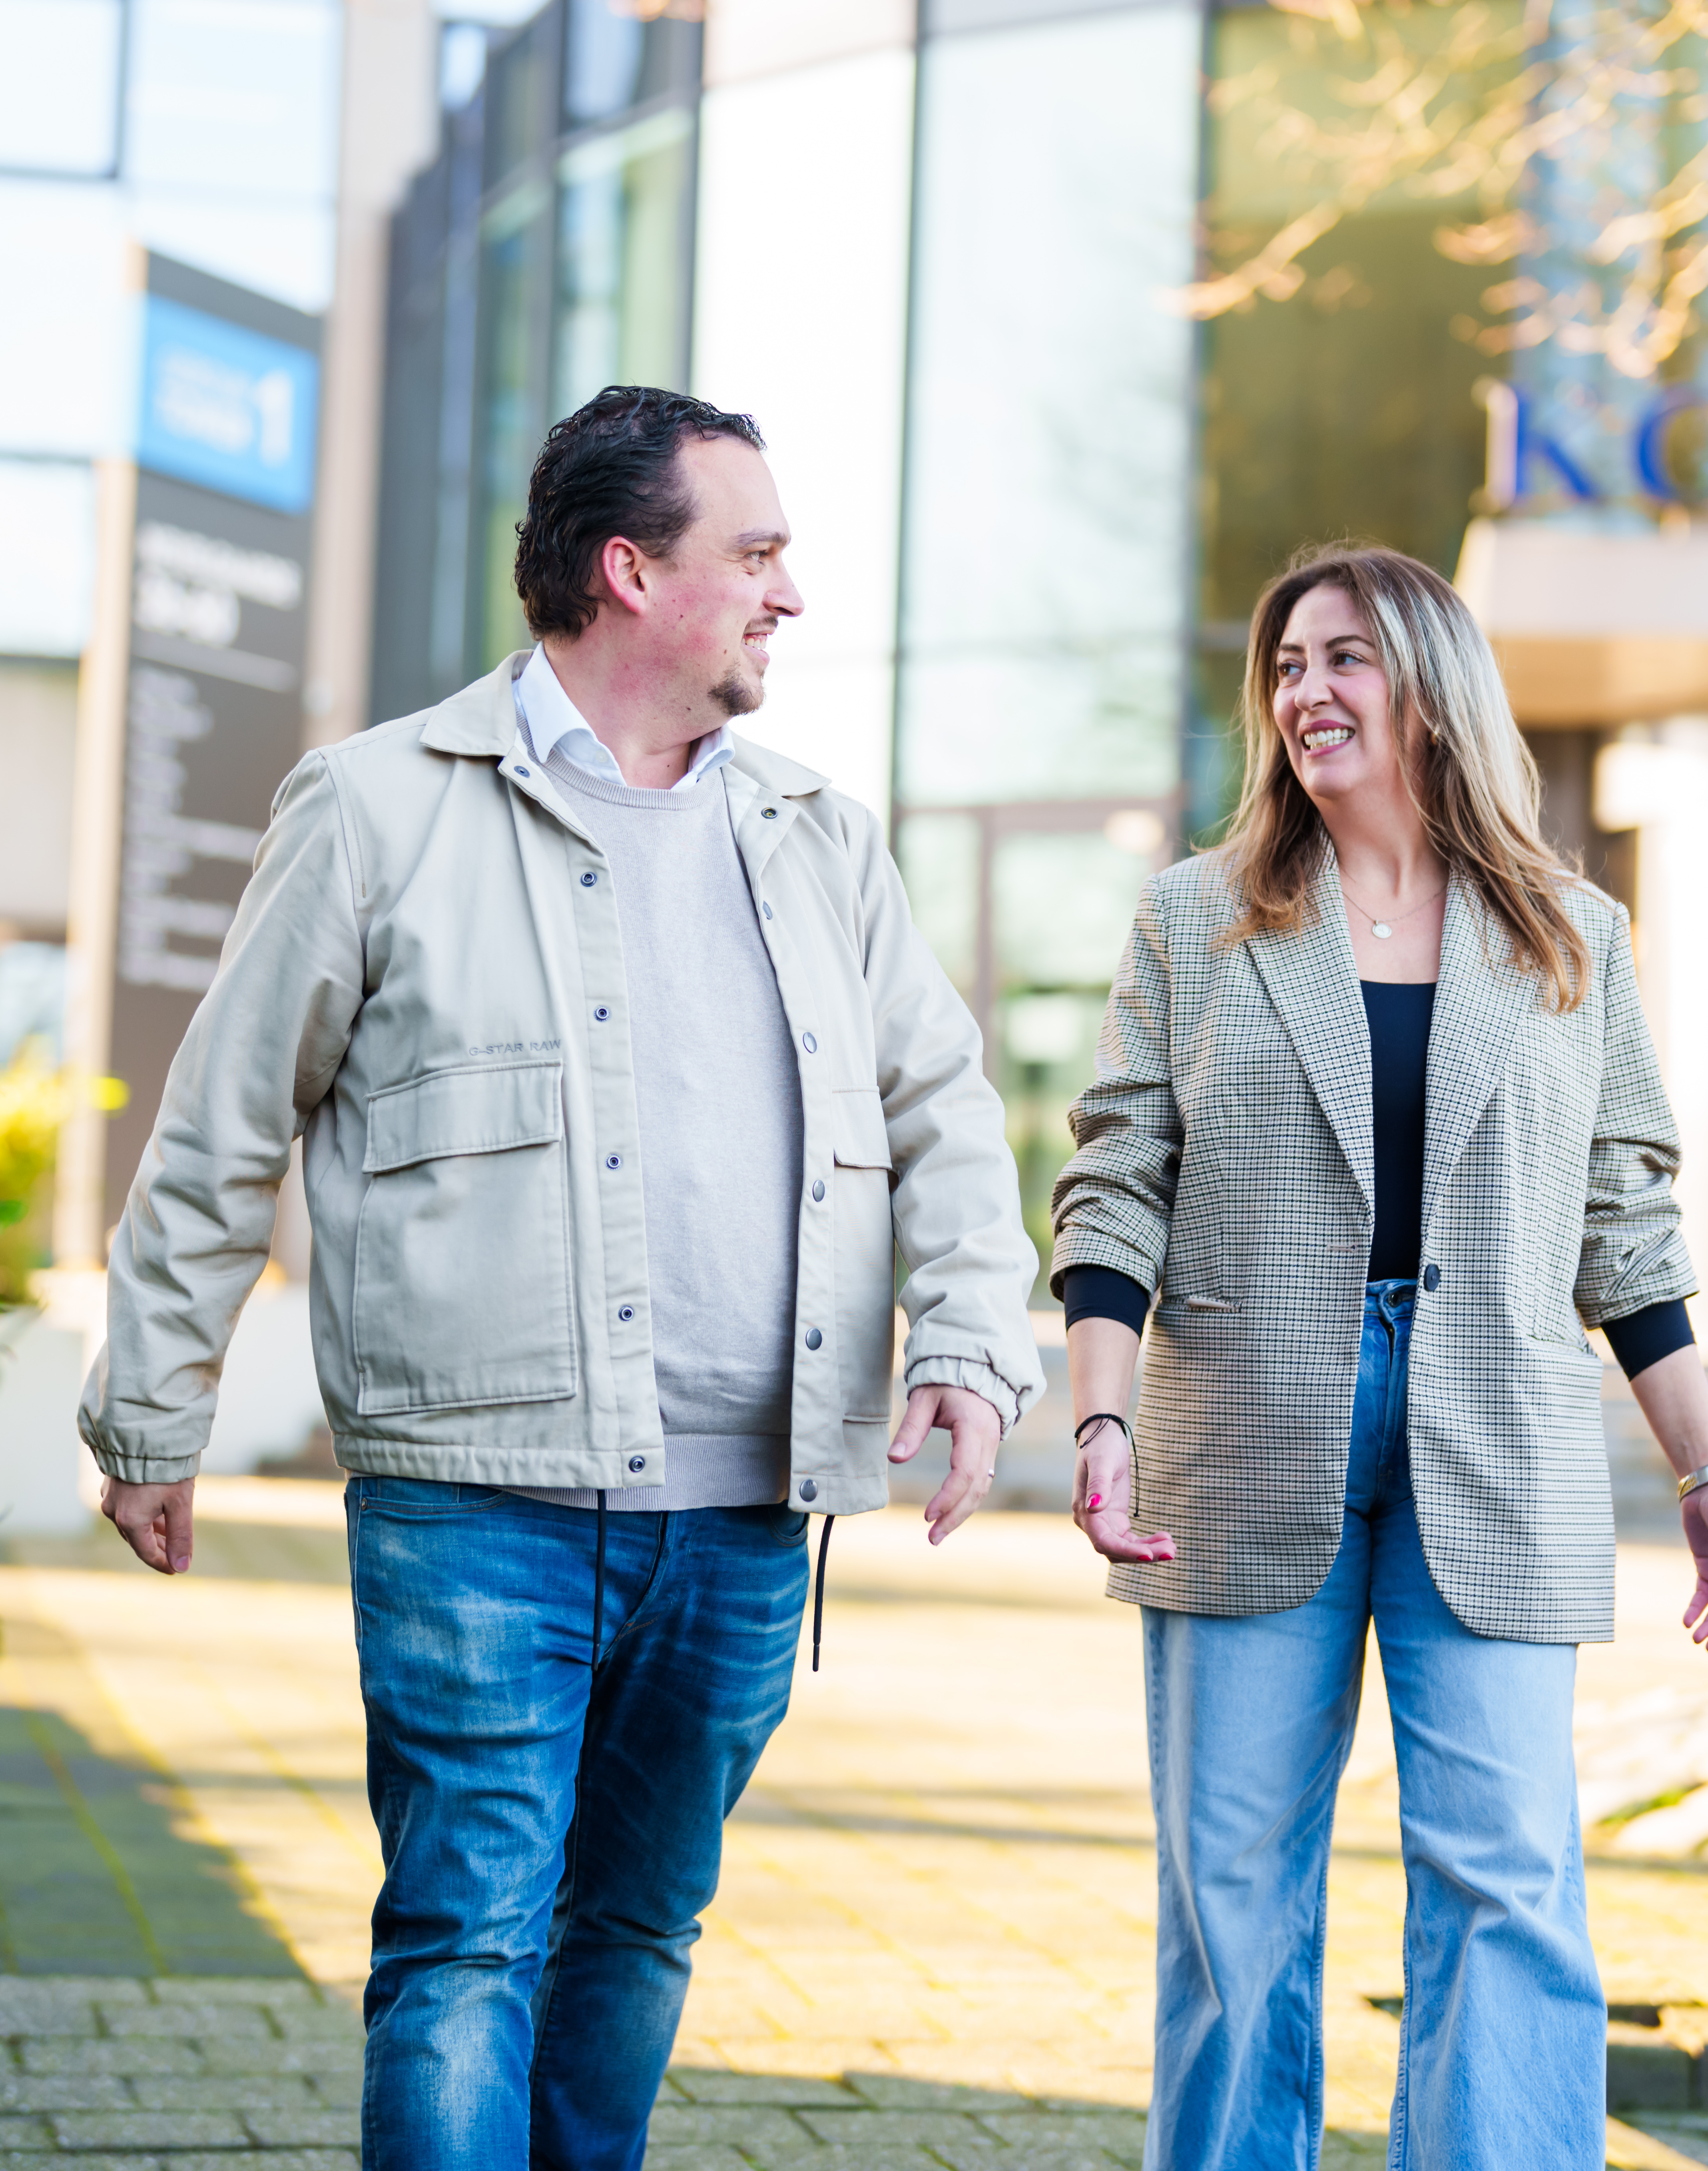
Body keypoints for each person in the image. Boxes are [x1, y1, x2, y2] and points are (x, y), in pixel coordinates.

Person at [77, 385, 1045, 2169]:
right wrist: (154, 1407)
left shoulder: (821, 839)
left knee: (637, 1937)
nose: (789, 595)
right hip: (477, 1504)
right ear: (630, 569)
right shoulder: (378, 809)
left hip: (750, 1512)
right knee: (465, 1946)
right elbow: (222, 1122)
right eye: (754, 553)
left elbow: (947, 1116)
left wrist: (979, 1348)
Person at [1048, 543, 1708, 2169]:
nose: (1308, 690)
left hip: (1499, 1436)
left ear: (1432, 687)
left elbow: (1627, 1232)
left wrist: (1707, 1474)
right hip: (1240, 1435)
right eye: (1289, 665)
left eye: (1346, 659)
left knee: (1506, 1874)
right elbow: (1112, 1185)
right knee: (1233, 1895)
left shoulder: (1572, 935)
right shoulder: (1196, 921)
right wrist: (1098, 1425)